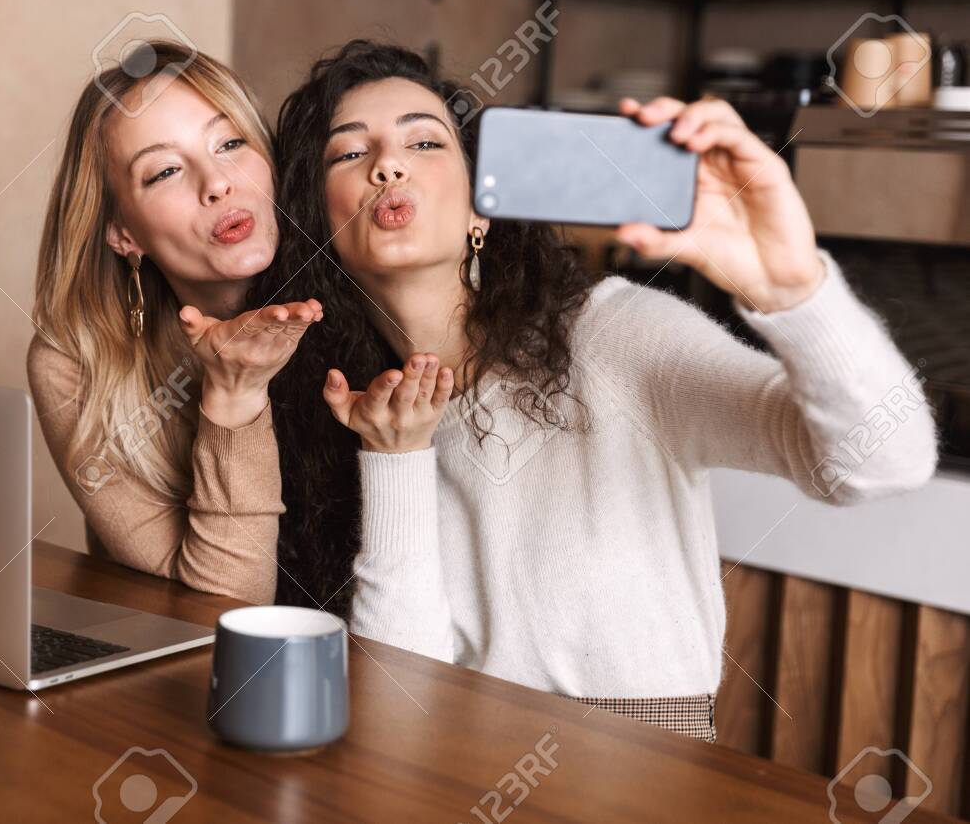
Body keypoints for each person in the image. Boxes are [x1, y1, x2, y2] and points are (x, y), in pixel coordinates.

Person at [253, 40, 937, 740]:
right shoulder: (352, 410)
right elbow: (401, 709)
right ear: (321, 225)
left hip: (645, 782)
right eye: (348, 153)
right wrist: (396, 459)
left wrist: (796, 291)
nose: (388, 165)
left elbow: (885, 461)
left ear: (479, 211)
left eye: (425, 142)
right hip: (455, 779)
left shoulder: (615, 336)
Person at [28, 42, 321, 604]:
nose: (216, 182)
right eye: (164, 171)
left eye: (231, 143)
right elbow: (216, 612)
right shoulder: (78, 366)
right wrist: (235, 396)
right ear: (123, 234)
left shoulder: (354, 297)